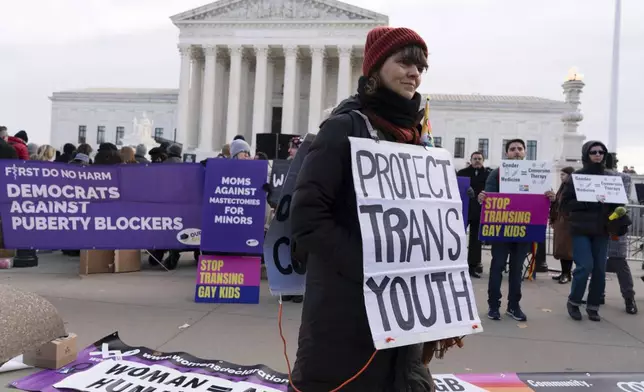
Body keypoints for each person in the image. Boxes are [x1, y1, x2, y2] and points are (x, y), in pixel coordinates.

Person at [290, 26, 453, 392]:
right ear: (376, 67)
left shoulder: (415, 137)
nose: (415, 73)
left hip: (403, 310)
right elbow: (307, 218)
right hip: (345, 311)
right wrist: (372, 266)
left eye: (421, 66)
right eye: (405, 62)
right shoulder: (342, 129)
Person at [478, 139, 555, 321]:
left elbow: (542, 201)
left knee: (517, 268)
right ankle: (493, 306)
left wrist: (550, 197)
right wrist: (483, 197)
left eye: (520, 149)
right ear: (507, 154)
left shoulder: (536, 174)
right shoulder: (497, 174)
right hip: (502, 230)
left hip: (524, 230)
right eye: (512, 149)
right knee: (497, 267)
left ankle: (514, 305)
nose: (516, 152)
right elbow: (490, 198)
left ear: (525, 152)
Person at [560, 141, 621, 322]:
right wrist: (587, 201)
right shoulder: (576, 177)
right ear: (586, 154)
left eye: (601, 152)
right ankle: (574, 301)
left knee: (600, 270)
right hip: (581, 229)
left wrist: (618, 211)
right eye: (593, 152)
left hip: (602, 229)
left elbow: (617, 203)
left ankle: (593, 305)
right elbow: (565, 205)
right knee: (585, 266)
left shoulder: (610, 177)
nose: (597, 154)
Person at [604, 153, 637, 314]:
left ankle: (627, 297)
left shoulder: (621, 178)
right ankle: (627, 298)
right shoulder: (625, 178)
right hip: (608, 225)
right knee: (616, 263)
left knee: (616, 262)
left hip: (613, 224)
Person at [457, 151, 492, 278]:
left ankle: (473, 266)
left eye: (479, 158)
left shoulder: (488, 174)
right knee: (459, 237)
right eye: (475, 158)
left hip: (480, 211)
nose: (477, 160)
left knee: (476, 241)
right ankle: (457, 263)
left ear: (483, 160)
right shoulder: (462, 173)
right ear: (470, 160)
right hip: (463, 210)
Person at [550, 167, 575, 284]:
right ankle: (564, 272)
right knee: (560, 249)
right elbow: (557, 202)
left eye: (564, 175)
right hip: (560, 222)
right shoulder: (563, 187)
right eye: (561, 175)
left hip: (568, 222)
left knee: (567, 250)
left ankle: (567, 273)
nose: (561, 177)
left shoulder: (572, 188)